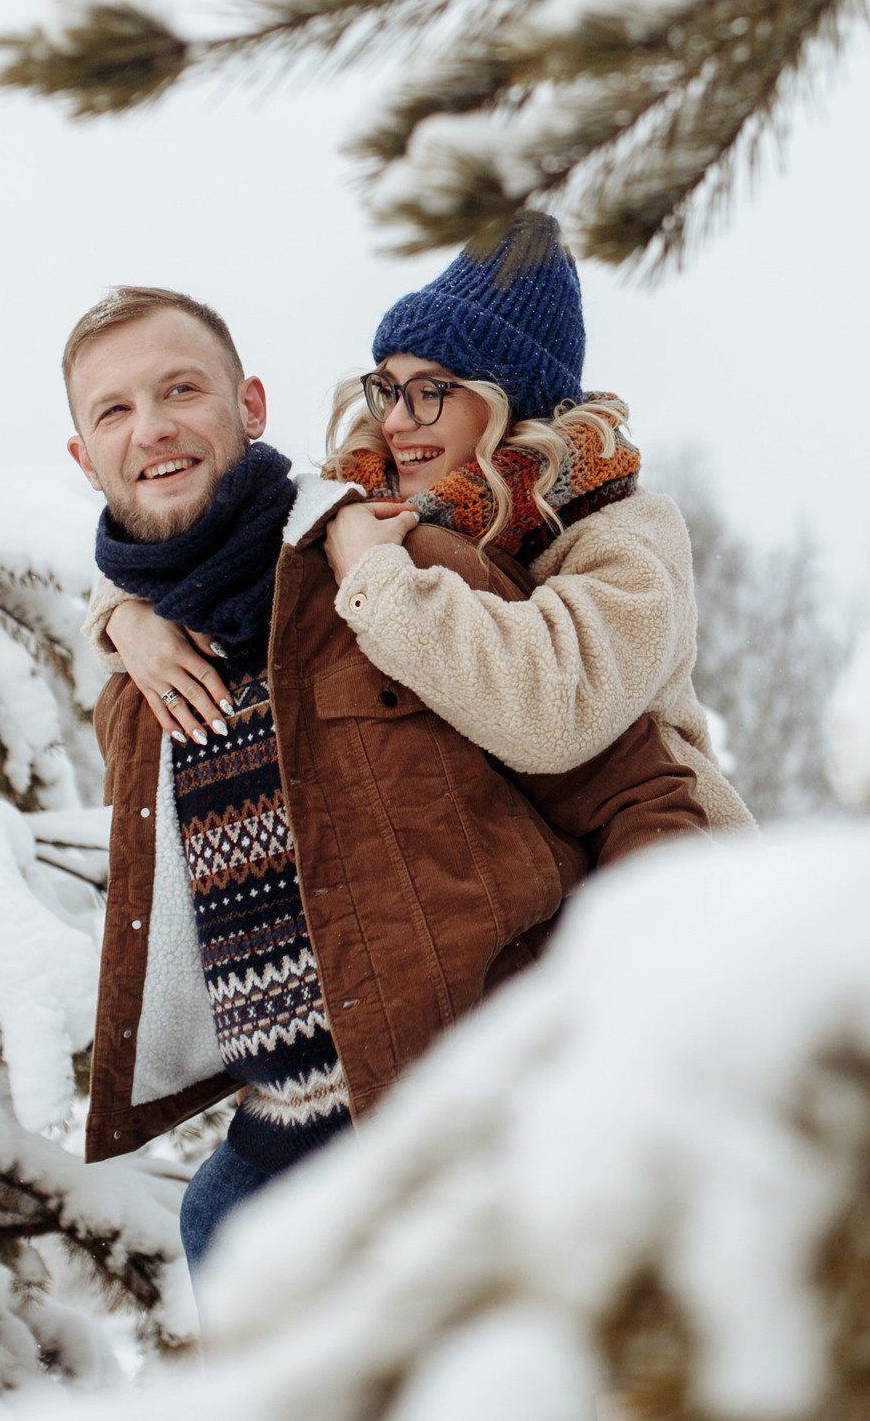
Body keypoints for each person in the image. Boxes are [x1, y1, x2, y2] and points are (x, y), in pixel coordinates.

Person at [60, 286, 705, 1272]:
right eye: (112, 410)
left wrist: (651, 1022)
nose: (149, 427)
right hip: (281, 1167)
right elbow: (158, 539)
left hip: (477, 1136)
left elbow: (633, 788)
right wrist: (122, 617)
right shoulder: (139, 683)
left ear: (252, 407)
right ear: (82, 455)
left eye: (179, 388)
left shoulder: (404, 570)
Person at [93, 214, 752, 833]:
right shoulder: (370, 502)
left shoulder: (618, 533)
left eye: (430, 392)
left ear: (510, 405)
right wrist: (128, 614)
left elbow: (554, 712)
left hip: (672, 881)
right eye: (387, 388)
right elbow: (214, 527)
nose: (397, 421)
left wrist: (375, 576)